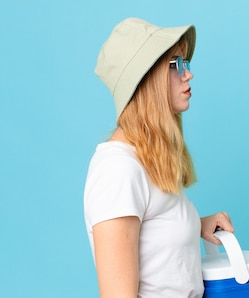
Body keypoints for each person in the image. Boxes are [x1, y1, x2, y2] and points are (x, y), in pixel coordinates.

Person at [84, 17, 234, 298]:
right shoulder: (118, 170)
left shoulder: (146, 159)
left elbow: (152, 232)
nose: (188, 74)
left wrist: (194, 224)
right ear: (147, 78)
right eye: (176, 63)